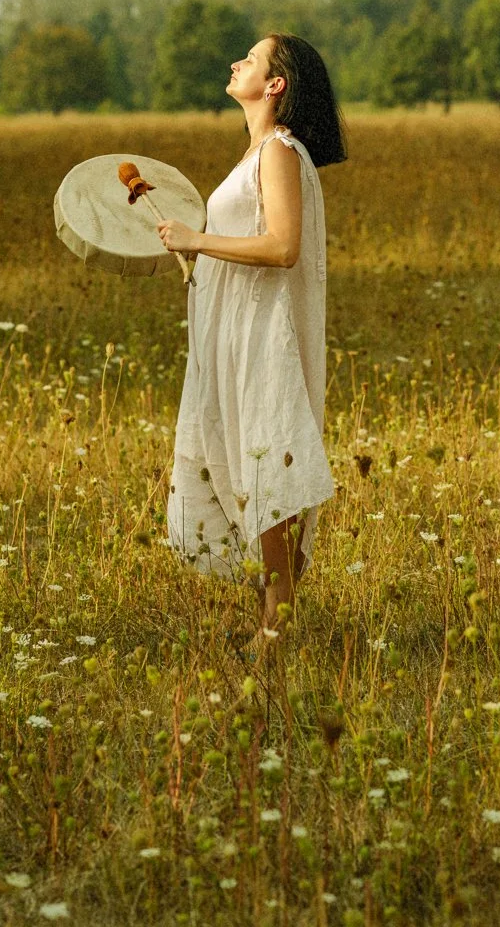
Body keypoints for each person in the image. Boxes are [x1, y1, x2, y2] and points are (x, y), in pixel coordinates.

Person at [154, 32, 346, 657]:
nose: (235, 62)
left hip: (265, 335)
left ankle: (276, 628)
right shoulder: (255, 153)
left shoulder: (280, 151)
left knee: (270, 471)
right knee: (242, 464)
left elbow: (282, 248)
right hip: (233, 332)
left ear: (275, 85)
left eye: (252, 59)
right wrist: (194, 253)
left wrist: (198, 240)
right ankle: (267, 615)